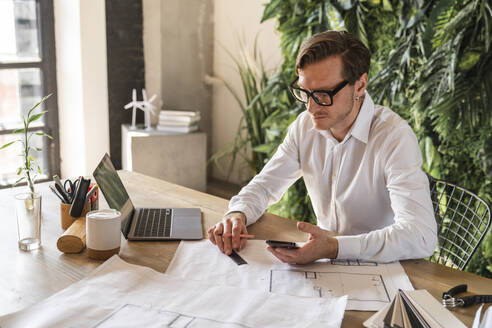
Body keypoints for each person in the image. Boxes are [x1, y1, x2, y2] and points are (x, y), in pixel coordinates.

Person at [208, 30, 437, 264]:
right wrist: (238, 213)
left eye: (323, 94)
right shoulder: (304, 127)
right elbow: (265, 186)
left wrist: (335, 247)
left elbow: (420, 235)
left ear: (360, 85)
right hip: (326, 266)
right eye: (305, 92)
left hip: (385, 270)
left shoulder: (394, 137)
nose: (310, 108)